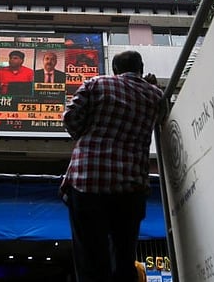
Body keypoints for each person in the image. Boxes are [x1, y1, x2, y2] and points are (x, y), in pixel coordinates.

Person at [60, 50, 164, 282]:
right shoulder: (156, 96)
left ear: (115, 70)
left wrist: (87, 135)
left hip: (88, 182)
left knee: (90, 260)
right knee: (124, 259)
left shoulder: (96, 84)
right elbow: (160, 118)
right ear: (141, 68)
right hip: (131, 188)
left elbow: (70, 118)